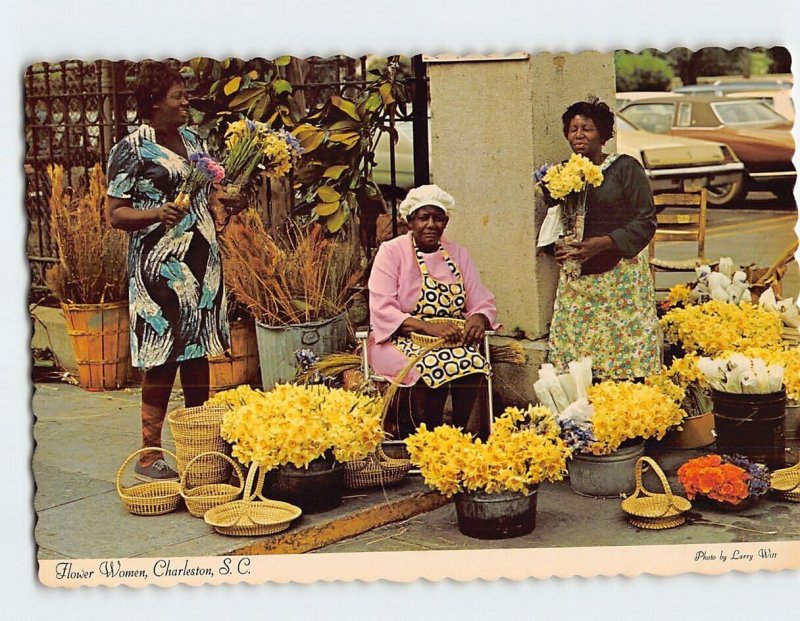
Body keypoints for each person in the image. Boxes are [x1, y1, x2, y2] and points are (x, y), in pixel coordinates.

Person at [105, 61, 233, 481]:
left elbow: (209, 193)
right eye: (178, 96)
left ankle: (198, 448)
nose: (186, 102)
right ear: (154, 102)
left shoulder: (193, 139)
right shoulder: (131, 148)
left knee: (198, 351)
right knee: (163, 355)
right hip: (159, 265)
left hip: (201, 258)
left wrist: (226, 203)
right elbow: (115, 214)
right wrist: (154, 213)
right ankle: (149, 455)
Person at [367, 185, 499, 440]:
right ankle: (427, 439)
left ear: (445, 222)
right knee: (429, 365)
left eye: (437, 218)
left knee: (474, 364)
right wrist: (427, 327)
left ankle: (460, 437)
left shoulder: (458, 254)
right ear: (410, 221)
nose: (430, 224)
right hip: (398, 339)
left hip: (449, 339)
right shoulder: (392, 252)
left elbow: (480, 298)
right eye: (423, 217)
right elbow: (382, 307)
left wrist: (478, 317)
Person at [543, 99, 660, 381]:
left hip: (619, 279)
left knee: (624, 355)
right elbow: (555, 221)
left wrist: (603, 242)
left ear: (604, 134)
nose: (579, 135)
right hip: (579, 283)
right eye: (573, 129)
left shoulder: (625, 168)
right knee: (579, 360)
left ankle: (625, 412)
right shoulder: (562, 174)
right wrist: (557, 248)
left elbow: (646, 220)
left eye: (588, 129)